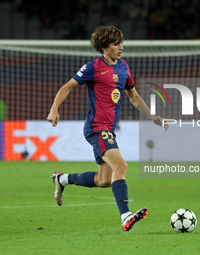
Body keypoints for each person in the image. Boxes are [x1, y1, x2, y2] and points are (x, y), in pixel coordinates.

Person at [47, 26, 168, 231]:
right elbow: (67, 86)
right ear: (104, 47)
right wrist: (54, 109)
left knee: (103, 180)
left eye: (121, 43)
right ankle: (126, 216)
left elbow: (134, 97)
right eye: (116, 44)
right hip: (96, 127)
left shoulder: (123, 68)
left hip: (108, 129)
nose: (121, 47)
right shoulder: (92, 68)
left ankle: (61, 179)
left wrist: (152, 117)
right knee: (121, 166)